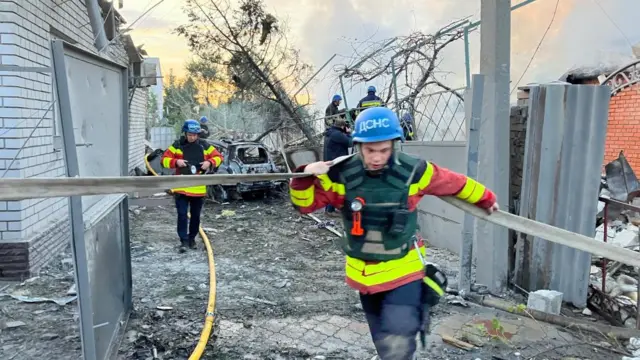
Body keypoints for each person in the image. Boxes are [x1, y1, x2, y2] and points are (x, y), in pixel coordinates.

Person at [289, 107, 499, 359]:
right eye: (370, 150)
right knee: (383, 343)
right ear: (358, 146)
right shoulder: (340, 174)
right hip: (364, 275)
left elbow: (456, 183)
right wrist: (304, 177)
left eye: (384, 150)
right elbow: (304, 205)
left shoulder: (415, 171)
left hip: (403, 269)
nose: (377, 157)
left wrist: (486, 199)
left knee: (398, 345)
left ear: (394, 144)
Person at [162, 119, 223, 253]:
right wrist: (176, 161)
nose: (192, 137)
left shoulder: (205, 146)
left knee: (195, 216)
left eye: (195, 135)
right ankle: (183, 241)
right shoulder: (177, 145)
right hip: (181, 187)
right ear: (185, 133)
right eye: (190, 134)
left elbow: (219, 157)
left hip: (198, 188)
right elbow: (164, 160)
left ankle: (192, 239)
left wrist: (210, 162)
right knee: (182, 214)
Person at [322, 118, 352, 216]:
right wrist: (348, 133)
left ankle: (332, 208)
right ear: (342, 126)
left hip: (331, 163)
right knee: (335, 186)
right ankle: (329, 210)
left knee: (335, 186)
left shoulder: (331, 133)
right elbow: (350, 142)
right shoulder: (337, 135)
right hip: (335, 164)